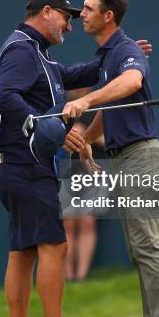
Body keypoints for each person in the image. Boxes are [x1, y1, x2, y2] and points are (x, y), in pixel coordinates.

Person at [62, 0, 159, 317]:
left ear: (107, 15)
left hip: (142, 156)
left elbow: (132, 82)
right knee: (140, 247)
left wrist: (84, 99)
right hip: (128, 157)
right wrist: (87, 139)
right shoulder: (109, 56)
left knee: (148, 245)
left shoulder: (126, 51)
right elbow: (111, 110)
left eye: (87, 8)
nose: (81, 14)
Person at [0, 0, 105, 317]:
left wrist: (117, 54)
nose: (70, 25)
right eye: (66, 17)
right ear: (46, 12)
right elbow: (6, 96)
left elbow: (72, 73)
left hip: (15, 165)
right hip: (24, 165)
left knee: (22, 252)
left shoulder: (38, 54)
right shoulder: (22, 48)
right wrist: (45, 127)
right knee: (54, 245)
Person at [62, 88, 107, 282]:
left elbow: (109, 141)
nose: (77, 91)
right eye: (73, 88)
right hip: (68, 173)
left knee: (88, 222)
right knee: (68, 224)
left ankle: (81, 276)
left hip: (94, 171)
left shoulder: (98, 110)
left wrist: (86, 136)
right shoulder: (62, 111)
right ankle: (68, 276)